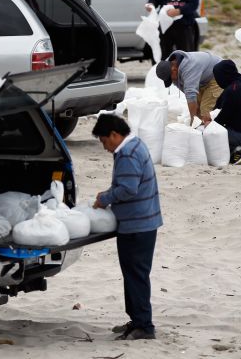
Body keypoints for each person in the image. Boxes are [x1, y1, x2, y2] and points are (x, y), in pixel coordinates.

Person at [92, 114, 162, 341]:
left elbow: (128, 188)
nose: (105, 148)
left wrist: (105, 198)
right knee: (133, 274)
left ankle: (144, 326)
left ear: (114, 134)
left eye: (104, 141)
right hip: (142, 221)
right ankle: (137, 320)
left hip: (138, 225)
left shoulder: (127, 154)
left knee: (136, 275)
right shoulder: (134, 144)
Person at [155, 50, 222, 125]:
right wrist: (194, 108)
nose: (172, 80)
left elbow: (191, 95)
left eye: (171, 78)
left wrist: (192, 121)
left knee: (204, 109)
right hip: (202, 78)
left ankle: (211, 131)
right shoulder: (169, 64)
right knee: (197, 109)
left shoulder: (189, 68)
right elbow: (188, 94)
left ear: (173, 70)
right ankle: (201, 128)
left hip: (217, 75)